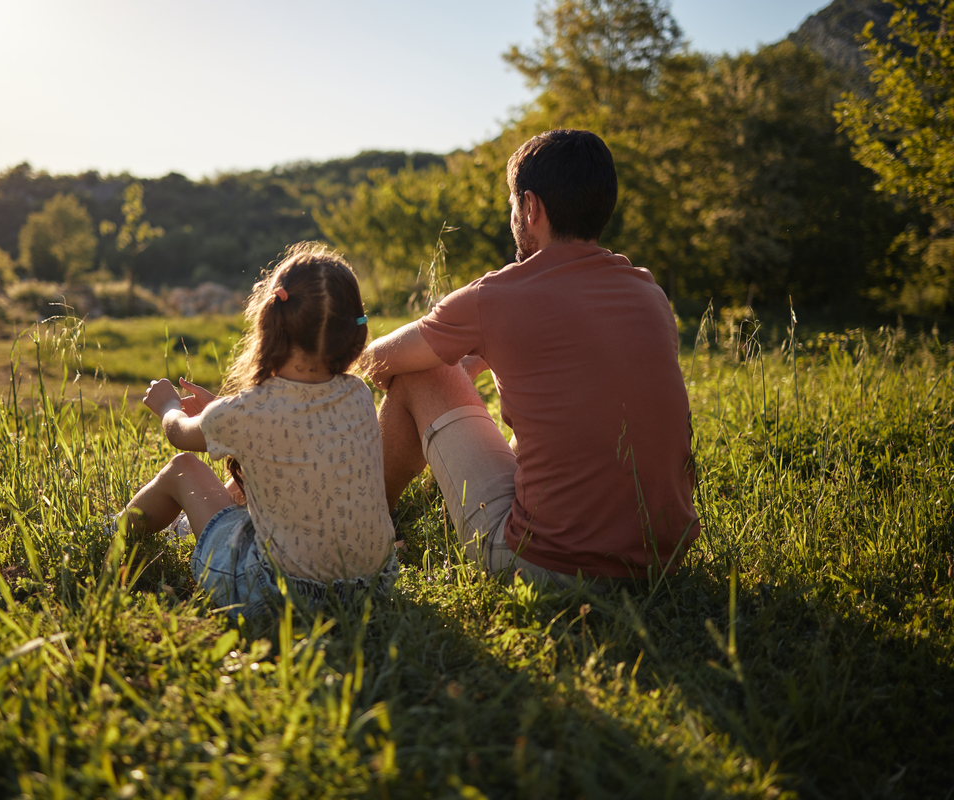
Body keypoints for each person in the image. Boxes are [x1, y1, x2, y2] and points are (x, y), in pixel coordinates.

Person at [361, 129, 699, 589]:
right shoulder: (648, 292)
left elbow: (381, 361)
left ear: (531, 207)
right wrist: (473, 362)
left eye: (512, 205)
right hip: (664, 563)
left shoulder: (499, 295)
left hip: (545, 565)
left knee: (420, 374)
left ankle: (360, 530)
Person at [121, 242, 397, 617]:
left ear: (269, 321)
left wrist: (168, 404)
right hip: (374, 587)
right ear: (352, 330)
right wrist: (220, 410)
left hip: (277, 594)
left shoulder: (251, 410)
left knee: (184, 468)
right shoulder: (358, 394)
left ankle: (111, 538)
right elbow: (291, 433)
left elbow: (178, 433)